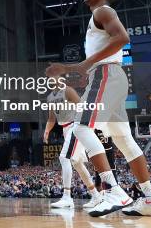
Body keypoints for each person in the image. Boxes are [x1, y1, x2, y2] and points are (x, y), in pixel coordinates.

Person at [46, 0, 151, 217]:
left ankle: (113, 190)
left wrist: (83, 64)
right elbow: (94, 59)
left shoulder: (103, 11)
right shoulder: (98, 18)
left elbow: (122, 38)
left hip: (105, 75)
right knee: (124, 140)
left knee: (80, 128)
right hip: (112, 76)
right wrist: (72, 67)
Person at [43, 79, 102, 209]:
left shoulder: (68, 91)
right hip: (65, 129)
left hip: (75, 126)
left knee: (64, 158)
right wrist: (47, 131)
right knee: (77, 163)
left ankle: (67, 197)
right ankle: (96, 196)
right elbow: (52, 118)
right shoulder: (50, 97)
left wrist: (84, 124)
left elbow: (82, 106)